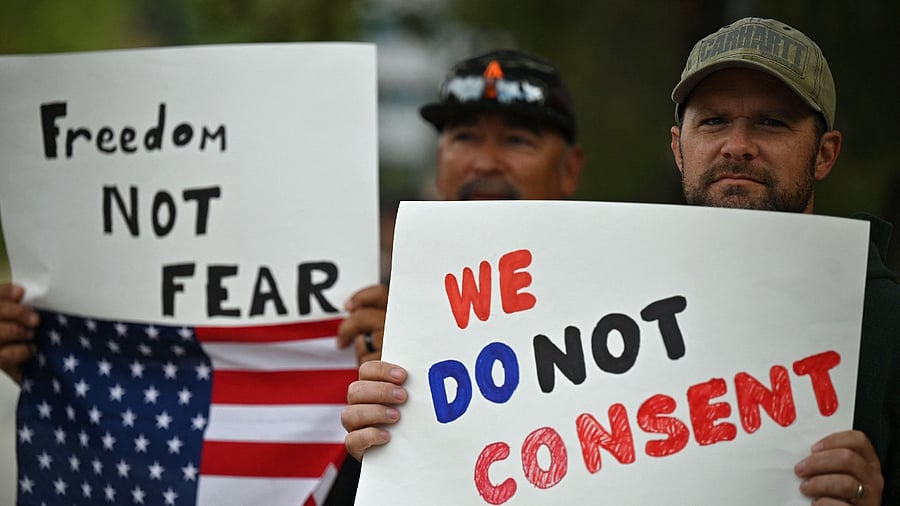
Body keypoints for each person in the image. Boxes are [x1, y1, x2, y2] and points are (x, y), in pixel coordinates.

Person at [341, 18, 900, 505]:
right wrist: (384, 448)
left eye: (772, 123)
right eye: (714, 121)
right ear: (679, 147)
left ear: (825, 154)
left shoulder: (883, 317)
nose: (738, 145)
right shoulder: (602, 288)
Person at [335, 48, 585, 364]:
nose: (485, 163)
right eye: (466, 137)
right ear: (439, 162)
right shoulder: (381, 306)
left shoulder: (614, 301)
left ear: (570, 170)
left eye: (517, 140)